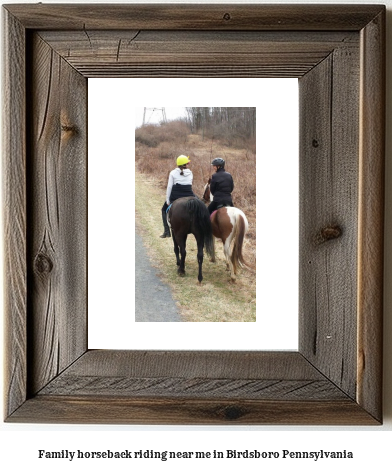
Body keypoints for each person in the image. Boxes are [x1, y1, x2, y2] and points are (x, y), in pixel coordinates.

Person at [160, 155, 195, 238]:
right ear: (185, 164)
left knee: (163, 209)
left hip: (176, 196)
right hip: (189, 194)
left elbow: (169, 187)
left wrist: (168, 200)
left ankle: (167, 231)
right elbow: (189, 184)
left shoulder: (173, 173)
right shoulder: (190, 173)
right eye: (187, 163)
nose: (188, 165)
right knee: (201, 204)